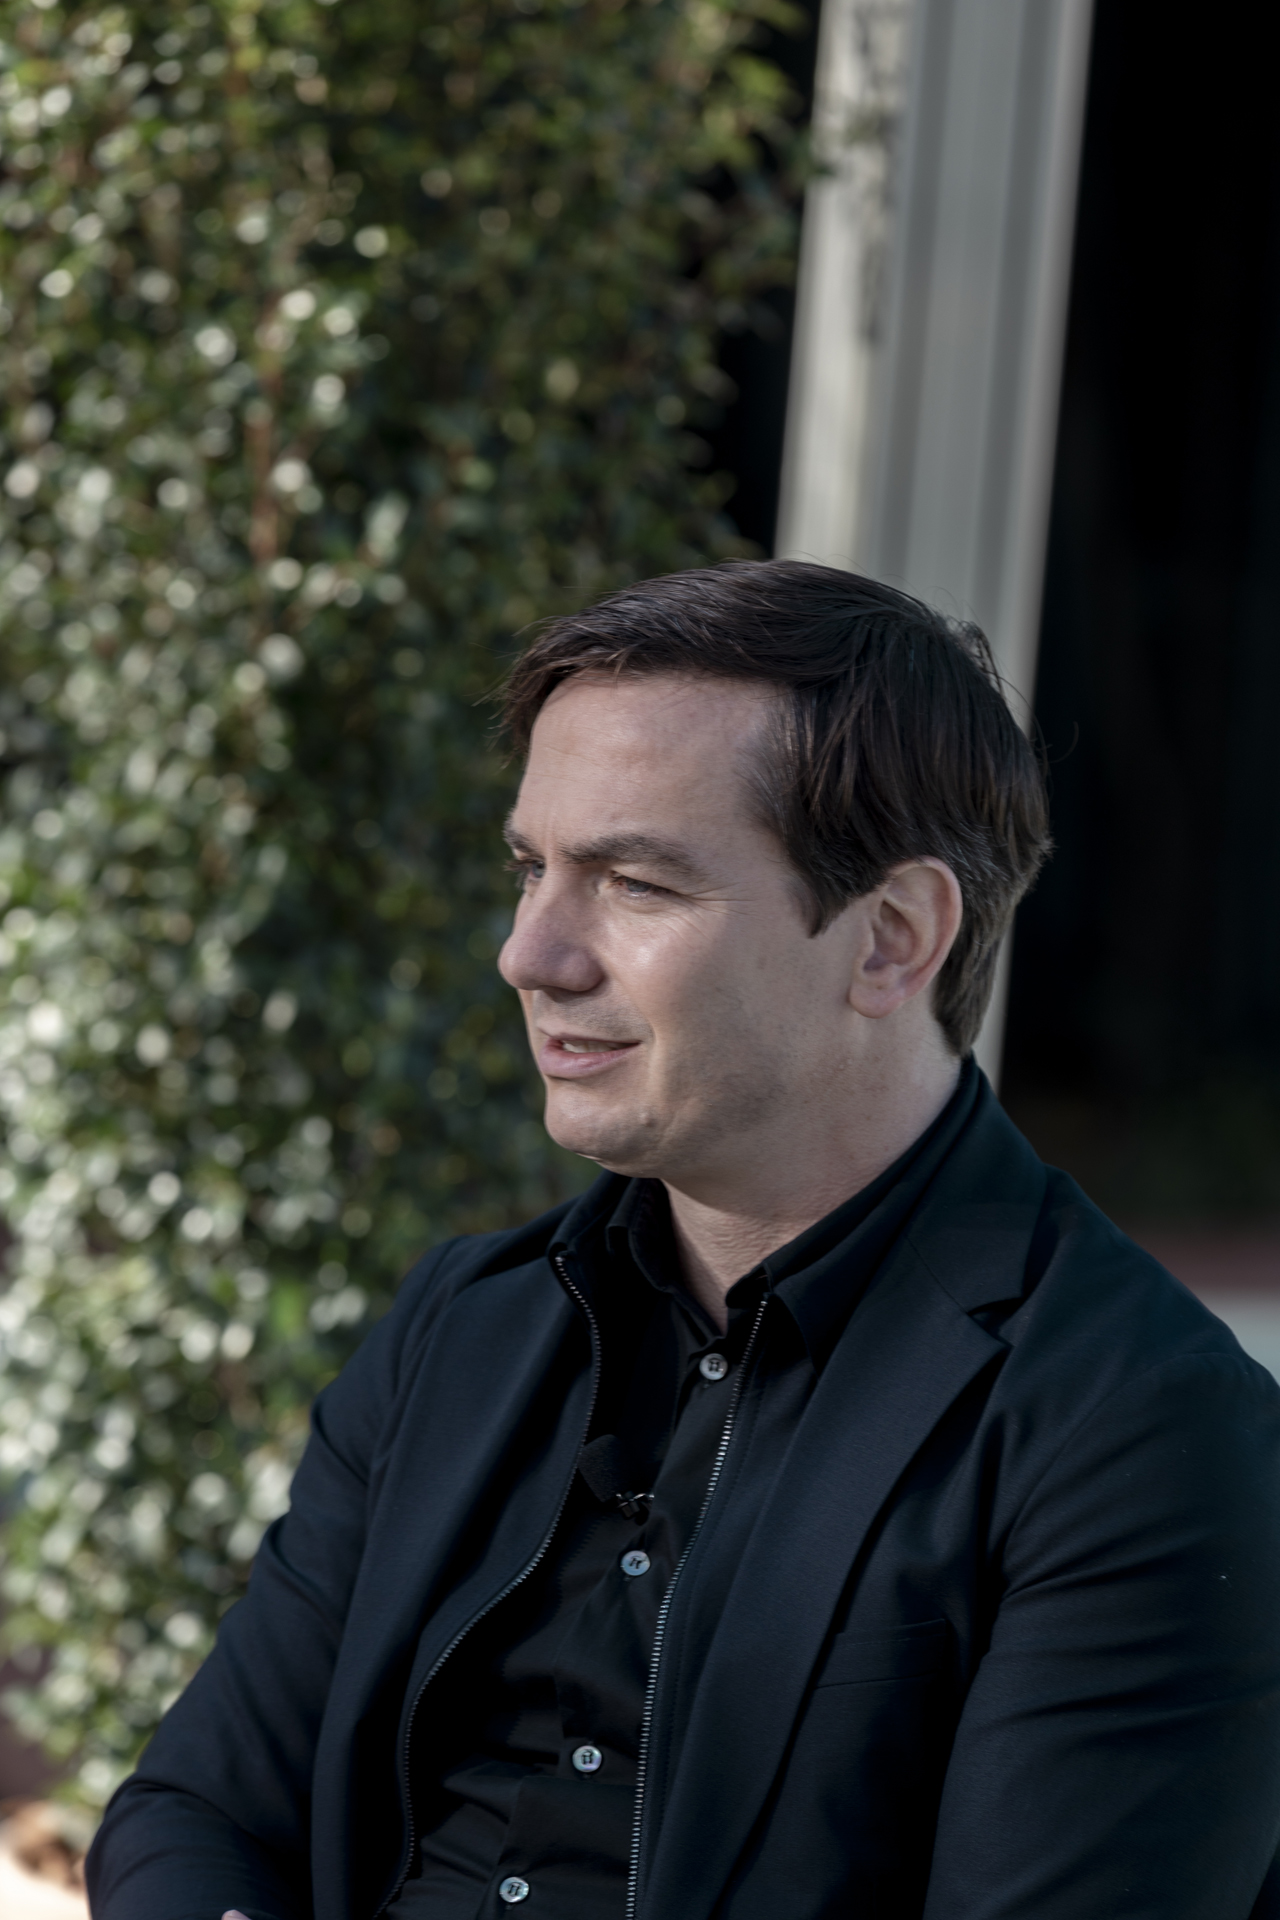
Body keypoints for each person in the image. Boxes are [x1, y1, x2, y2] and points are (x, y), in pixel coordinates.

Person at [87, 562, 1280, 1920]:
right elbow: (199, 1810)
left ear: (891, 941)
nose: (531, 954)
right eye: (531, 869)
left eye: (636, 883)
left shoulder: (1143, 1430)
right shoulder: (464, 1325)